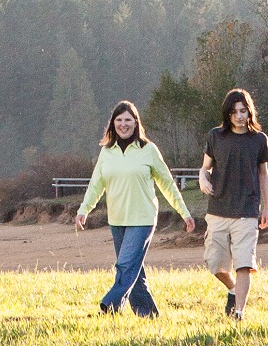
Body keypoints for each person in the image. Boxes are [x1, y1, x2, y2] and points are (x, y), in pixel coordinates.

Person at [74, 100, 195, 317]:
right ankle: (148, 315)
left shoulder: (148, 150)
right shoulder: (107, 152)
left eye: (128, 120)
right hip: (117, 219)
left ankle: (110, 305)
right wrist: (84, 210)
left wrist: (183, 212)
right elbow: (96, 184)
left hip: (142, 218)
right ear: (113, 123)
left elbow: (166, 183)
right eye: (119, 120)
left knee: (125, 265)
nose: (123, 124)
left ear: (136, 122)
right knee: (134, 271)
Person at [199, 88, 268, 320]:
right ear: (227, 114)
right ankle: (232, 288)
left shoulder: (259, 140)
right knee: (215, 264)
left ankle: (239, 312)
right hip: (218, 209)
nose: (239, 116)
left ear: (250, 112)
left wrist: (267, 207)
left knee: (243, 264)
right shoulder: (215, 136)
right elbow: (205, 167)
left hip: (247, 212)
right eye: (234, 112)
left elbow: (263, 174)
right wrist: (202, 179)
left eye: (243, 111)